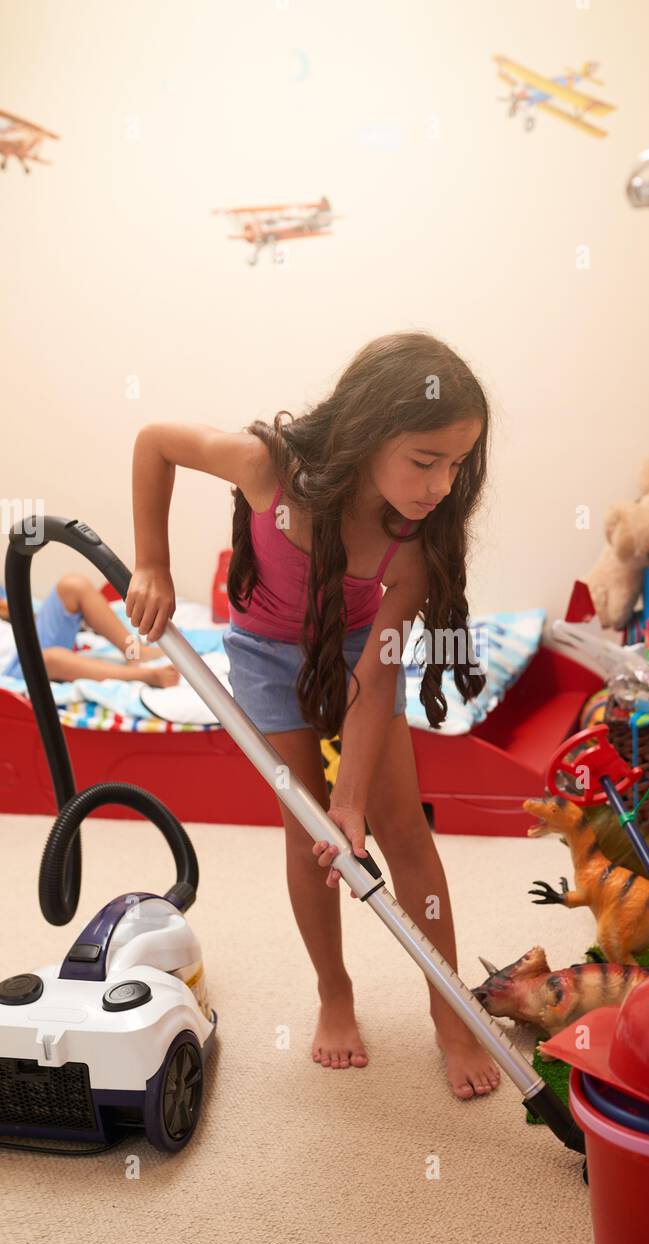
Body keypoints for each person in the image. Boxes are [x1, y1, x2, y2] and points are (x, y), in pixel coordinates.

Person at [124, 330, 500, 1101]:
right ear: (365, 437)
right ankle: (334, 992)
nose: (441, 482)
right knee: (310, 839)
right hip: (265, 652)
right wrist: (151, 560)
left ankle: (451, 1010)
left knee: (402, 832)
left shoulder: (417, 540)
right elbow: (155, 441)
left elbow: (375, 668)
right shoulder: (270, 467)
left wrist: (352, 798)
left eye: (457, 462)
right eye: (424, 460)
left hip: (359, 648)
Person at [0, 573, 179, 686]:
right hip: (12, 669)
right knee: (49, 658)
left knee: (72, 585)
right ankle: (144, 676)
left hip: (25, 638)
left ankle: (135, 652)